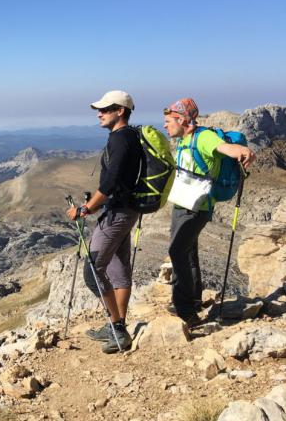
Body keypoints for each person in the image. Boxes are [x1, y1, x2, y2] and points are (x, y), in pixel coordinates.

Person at [163, 98, 255, 324]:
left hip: (196, 208)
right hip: (183, 204)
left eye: (168, 121)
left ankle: (186, 311)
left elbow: (225, 148)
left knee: (177, 253)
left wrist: (242, 151)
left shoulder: (203, 137)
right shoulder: (186, 138)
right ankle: (193, 299)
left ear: (182, 119)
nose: (165, 125)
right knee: (188, 252)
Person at [66, 90, 141, 353]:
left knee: (92, 271)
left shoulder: (121, 139)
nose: (99, 113)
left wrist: (85, 208)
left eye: (105, 109)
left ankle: (118, 330)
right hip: (126, 210)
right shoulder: (129, 136)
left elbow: (110, 183)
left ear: (120, 111)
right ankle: (116, 325)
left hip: (118, 212)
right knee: (119, 269)